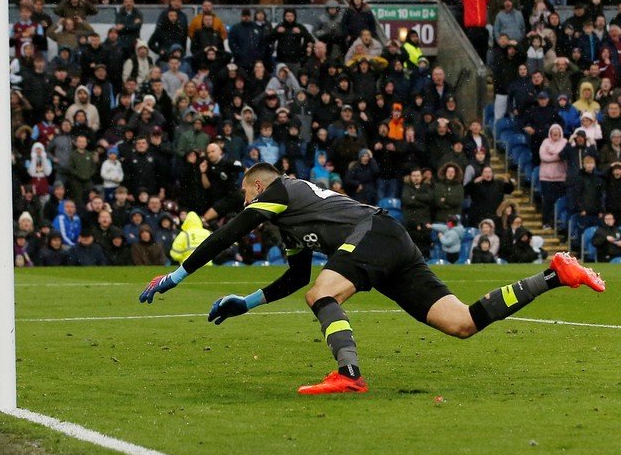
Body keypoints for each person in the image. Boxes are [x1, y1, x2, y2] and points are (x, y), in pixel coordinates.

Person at [139, 163, 605, 394]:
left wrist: (177, 275)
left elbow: (231, 231)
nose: (245, 204)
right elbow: (294, 277)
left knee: (323, 293)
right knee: (462, 323)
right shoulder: (289, 221)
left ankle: (349, 374)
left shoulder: (281, 189)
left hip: (373, 234)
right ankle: (555, 273)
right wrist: (248, 300)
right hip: (387, 243)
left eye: (245, 195)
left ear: (258, 188)